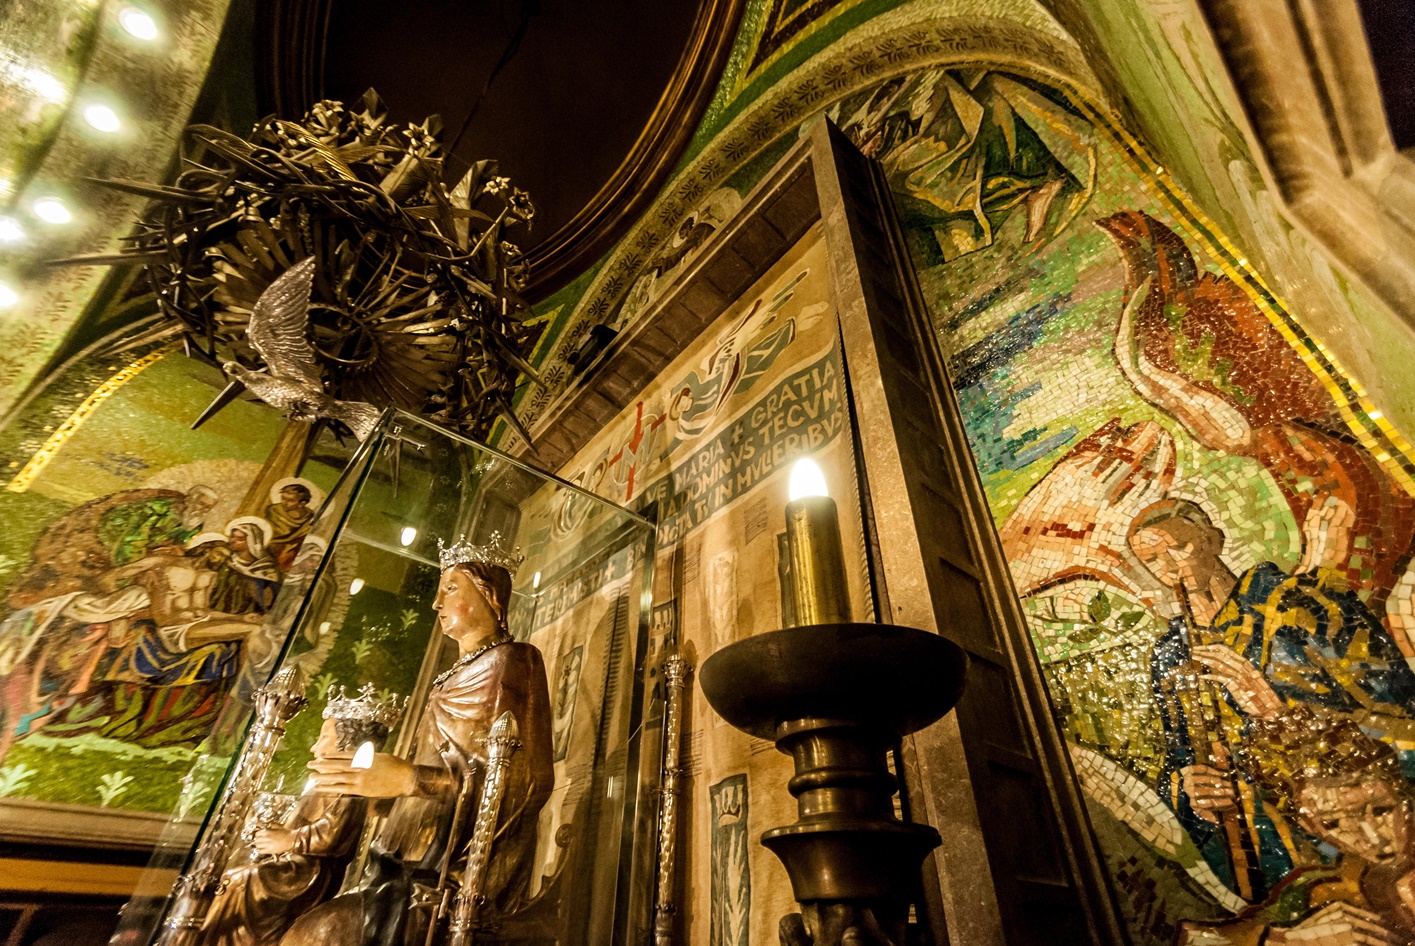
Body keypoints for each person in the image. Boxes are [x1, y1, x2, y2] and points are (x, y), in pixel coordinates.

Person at [1133, 498, 1415, 902]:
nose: (1169, 566)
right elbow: (1179, 759)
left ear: (1214, 540)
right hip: (1268, 854)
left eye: (1179, 547)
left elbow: (1401, 717)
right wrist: (1187, 787)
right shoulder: (1171, 655)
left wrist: (1278, 713)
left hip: (1358, 835)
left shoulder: (1305, 604)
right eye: (1152, 560)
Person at [281, 534, 553, 946]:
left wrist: (411, 779)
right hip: (404, 860)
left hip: (454, 871)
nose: (436, 604)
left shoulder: (513, 660)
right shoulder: (445, 682)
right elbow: (433, 773)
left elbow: (526, 781)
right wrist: (381, 795)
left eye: (450, 589)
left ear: (490, 595)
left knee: (319, 933)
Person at [1176, 709, 1415, 944]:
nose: (1373, 837)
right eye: (1333, 823)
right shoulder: (1321, 892)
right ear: (1310, 827)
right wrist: (1282, 939)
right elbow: (1199, 938)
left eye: (1382, 810)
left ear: (1403, 798)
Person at [200, 687, 402, 946]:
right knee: (230, 876)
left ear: (351, 745)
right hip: (294, 860)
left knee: (240, 881)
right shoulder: (322, 781)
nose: (315, 746)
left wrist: (289, 840)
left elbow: (332, 835)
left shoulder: (349, 786)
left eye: (324, 737)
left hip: (310, 872)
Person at [265, 482, 317, 574]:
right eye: (283, 498)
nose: (284, 503)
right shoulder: (274, 510)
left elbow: (303, 536)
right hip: (270, 543)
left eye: (290, 500)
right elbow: (267, 529)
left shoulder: (309, 518)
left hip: (291, 548)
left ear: (302, 503)